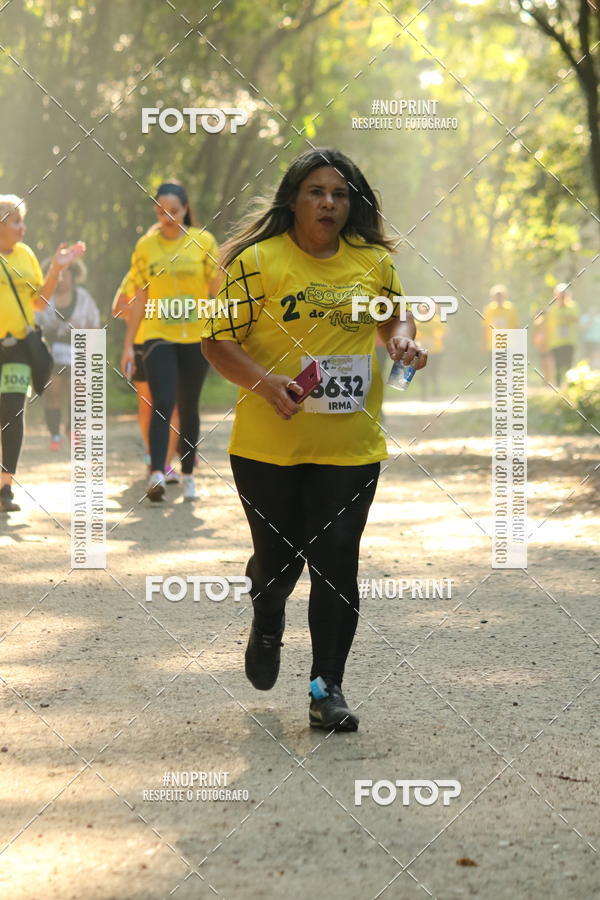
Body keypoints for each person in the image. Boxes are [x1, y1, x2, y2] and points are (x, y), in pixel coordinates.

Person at [202, 148, 427, 732]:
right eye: (316, 192)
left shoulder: (371, 261)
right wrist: (264, 381)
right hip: (267, 447)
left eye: (341, 194)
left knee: (336, 567)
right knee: (279, 568)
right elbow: (217, 342)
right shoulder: (258, 261)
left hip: (349, 448)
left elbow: (395, 317)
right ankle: (268, 609)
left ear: (352, 205)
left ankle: (326, 691)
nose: (329, 203)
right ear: (294, 199)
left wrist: (402, 341)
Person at [120, 182, 220, 502]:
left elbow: (218, 289)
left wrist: (229, 330)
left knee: (189, 406)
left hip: (196, 336)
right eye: (161, 211)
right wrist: (128, 344)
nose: (167, 217)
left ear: (186, 209)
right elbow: (139, 295)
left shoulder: (203, 241)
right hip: (156, 334)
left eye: (174, 211)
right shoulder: (145, 246)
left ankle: (188, 474)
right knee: (162, 401)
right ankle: (156, 472)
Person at [0, 193, 84, 511]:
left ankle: (5, 487)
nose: (23, 228)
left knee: (12, 411)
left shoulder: (25, 255)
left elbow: (39, 302)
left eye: (23, 221)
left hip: (20, 345)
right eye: (16, 221)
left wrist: (56, 271)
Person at [112, 262, 181, 483]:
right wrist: (142, 307)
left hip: (171, 343)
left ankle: (166, 464)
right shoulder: (134, 274)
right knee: (146, 406)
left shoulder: (175, 272)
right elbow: (117, 309)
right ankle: (153, 457)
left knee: (173, 406)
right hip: (142, 345)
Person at [36, 257, 99, 450]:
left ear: (74, 276)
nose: (63, 278)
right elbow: (35, 324)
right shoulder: (45, 299)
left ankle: (73, 430)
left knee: (79, 391)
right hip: (52, 352)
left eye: (67, 274)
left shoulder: (84, 297)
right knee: (53, 391)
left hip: (79, 350)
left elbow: (94, 324)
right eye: (58, 274)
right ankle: (55, 434)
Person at [546, 283, 579, 383]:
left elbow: (575, 319)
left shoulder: (573, 306)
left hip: (569, 340)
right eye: (560, 294)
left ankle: (569, 384)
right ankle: (558, 385)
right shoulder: (552, 309)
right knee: (558, 364)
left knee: (568, 363)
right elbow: (549, 325)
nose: (563, 296)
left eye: (564, 294)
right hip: (556, 341)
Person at [415, 301, 445, 399]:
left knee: (433, 371)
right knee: (423, 371)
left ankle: (436, 389)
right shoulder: (418, 321)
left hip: (436, 350)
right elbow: (414, 334)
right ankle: (424, 393)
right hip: (423, 351)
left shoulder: (436, 320)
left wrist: (434, 337)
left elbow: (442, 333)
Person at [482, 284, 519, 352]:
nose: (499, 298)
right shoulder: (489, 310)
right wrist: (483, 344)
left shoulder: (510, 309)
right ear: (493, 297)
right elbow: (485, 328)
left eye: (500, 296)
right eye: (496, 296)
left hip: (508, 345)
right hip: (493, 345)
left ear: (505, 296)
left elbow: (516, 327)